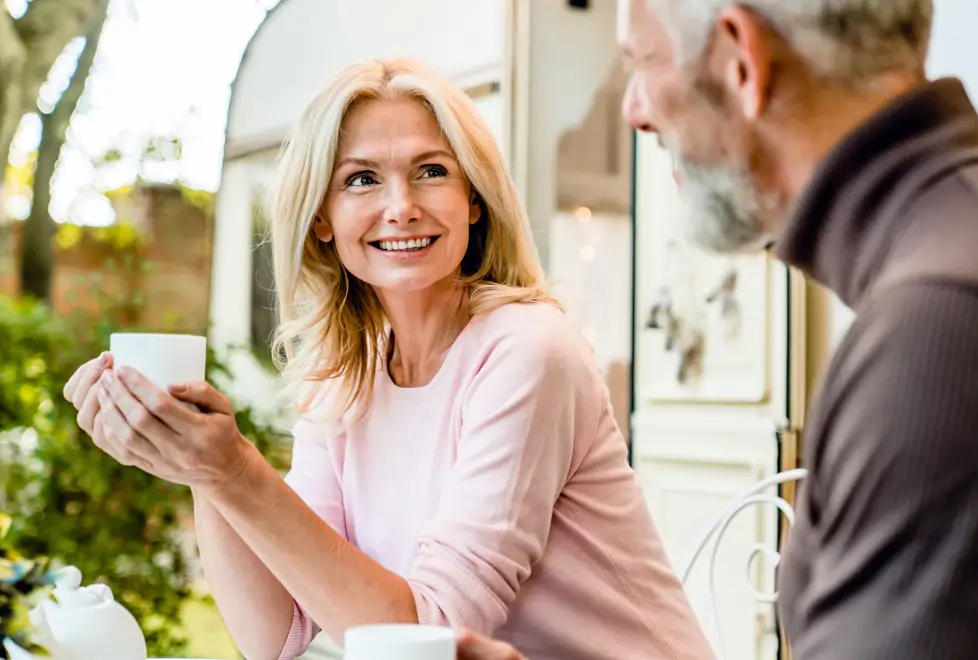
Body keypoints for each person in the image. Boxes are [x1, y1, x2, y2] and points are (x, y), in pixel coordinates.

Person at [62, 58, 714, 660]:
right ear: (323, 217)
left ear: (474, 199)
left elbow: (424, 638)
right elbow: (277, 634)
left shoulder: (527, 351)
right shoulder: (347, 378)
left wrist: (234, 469)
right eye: (362, 179)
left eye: (431, 171)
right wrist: (200, 471)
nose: (401, 207)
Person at [458, 0, 978, 658]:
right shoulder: (951, 263)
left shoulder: (934, 335)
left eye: (643, 63)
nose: (634, 111)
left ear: (742, 59)